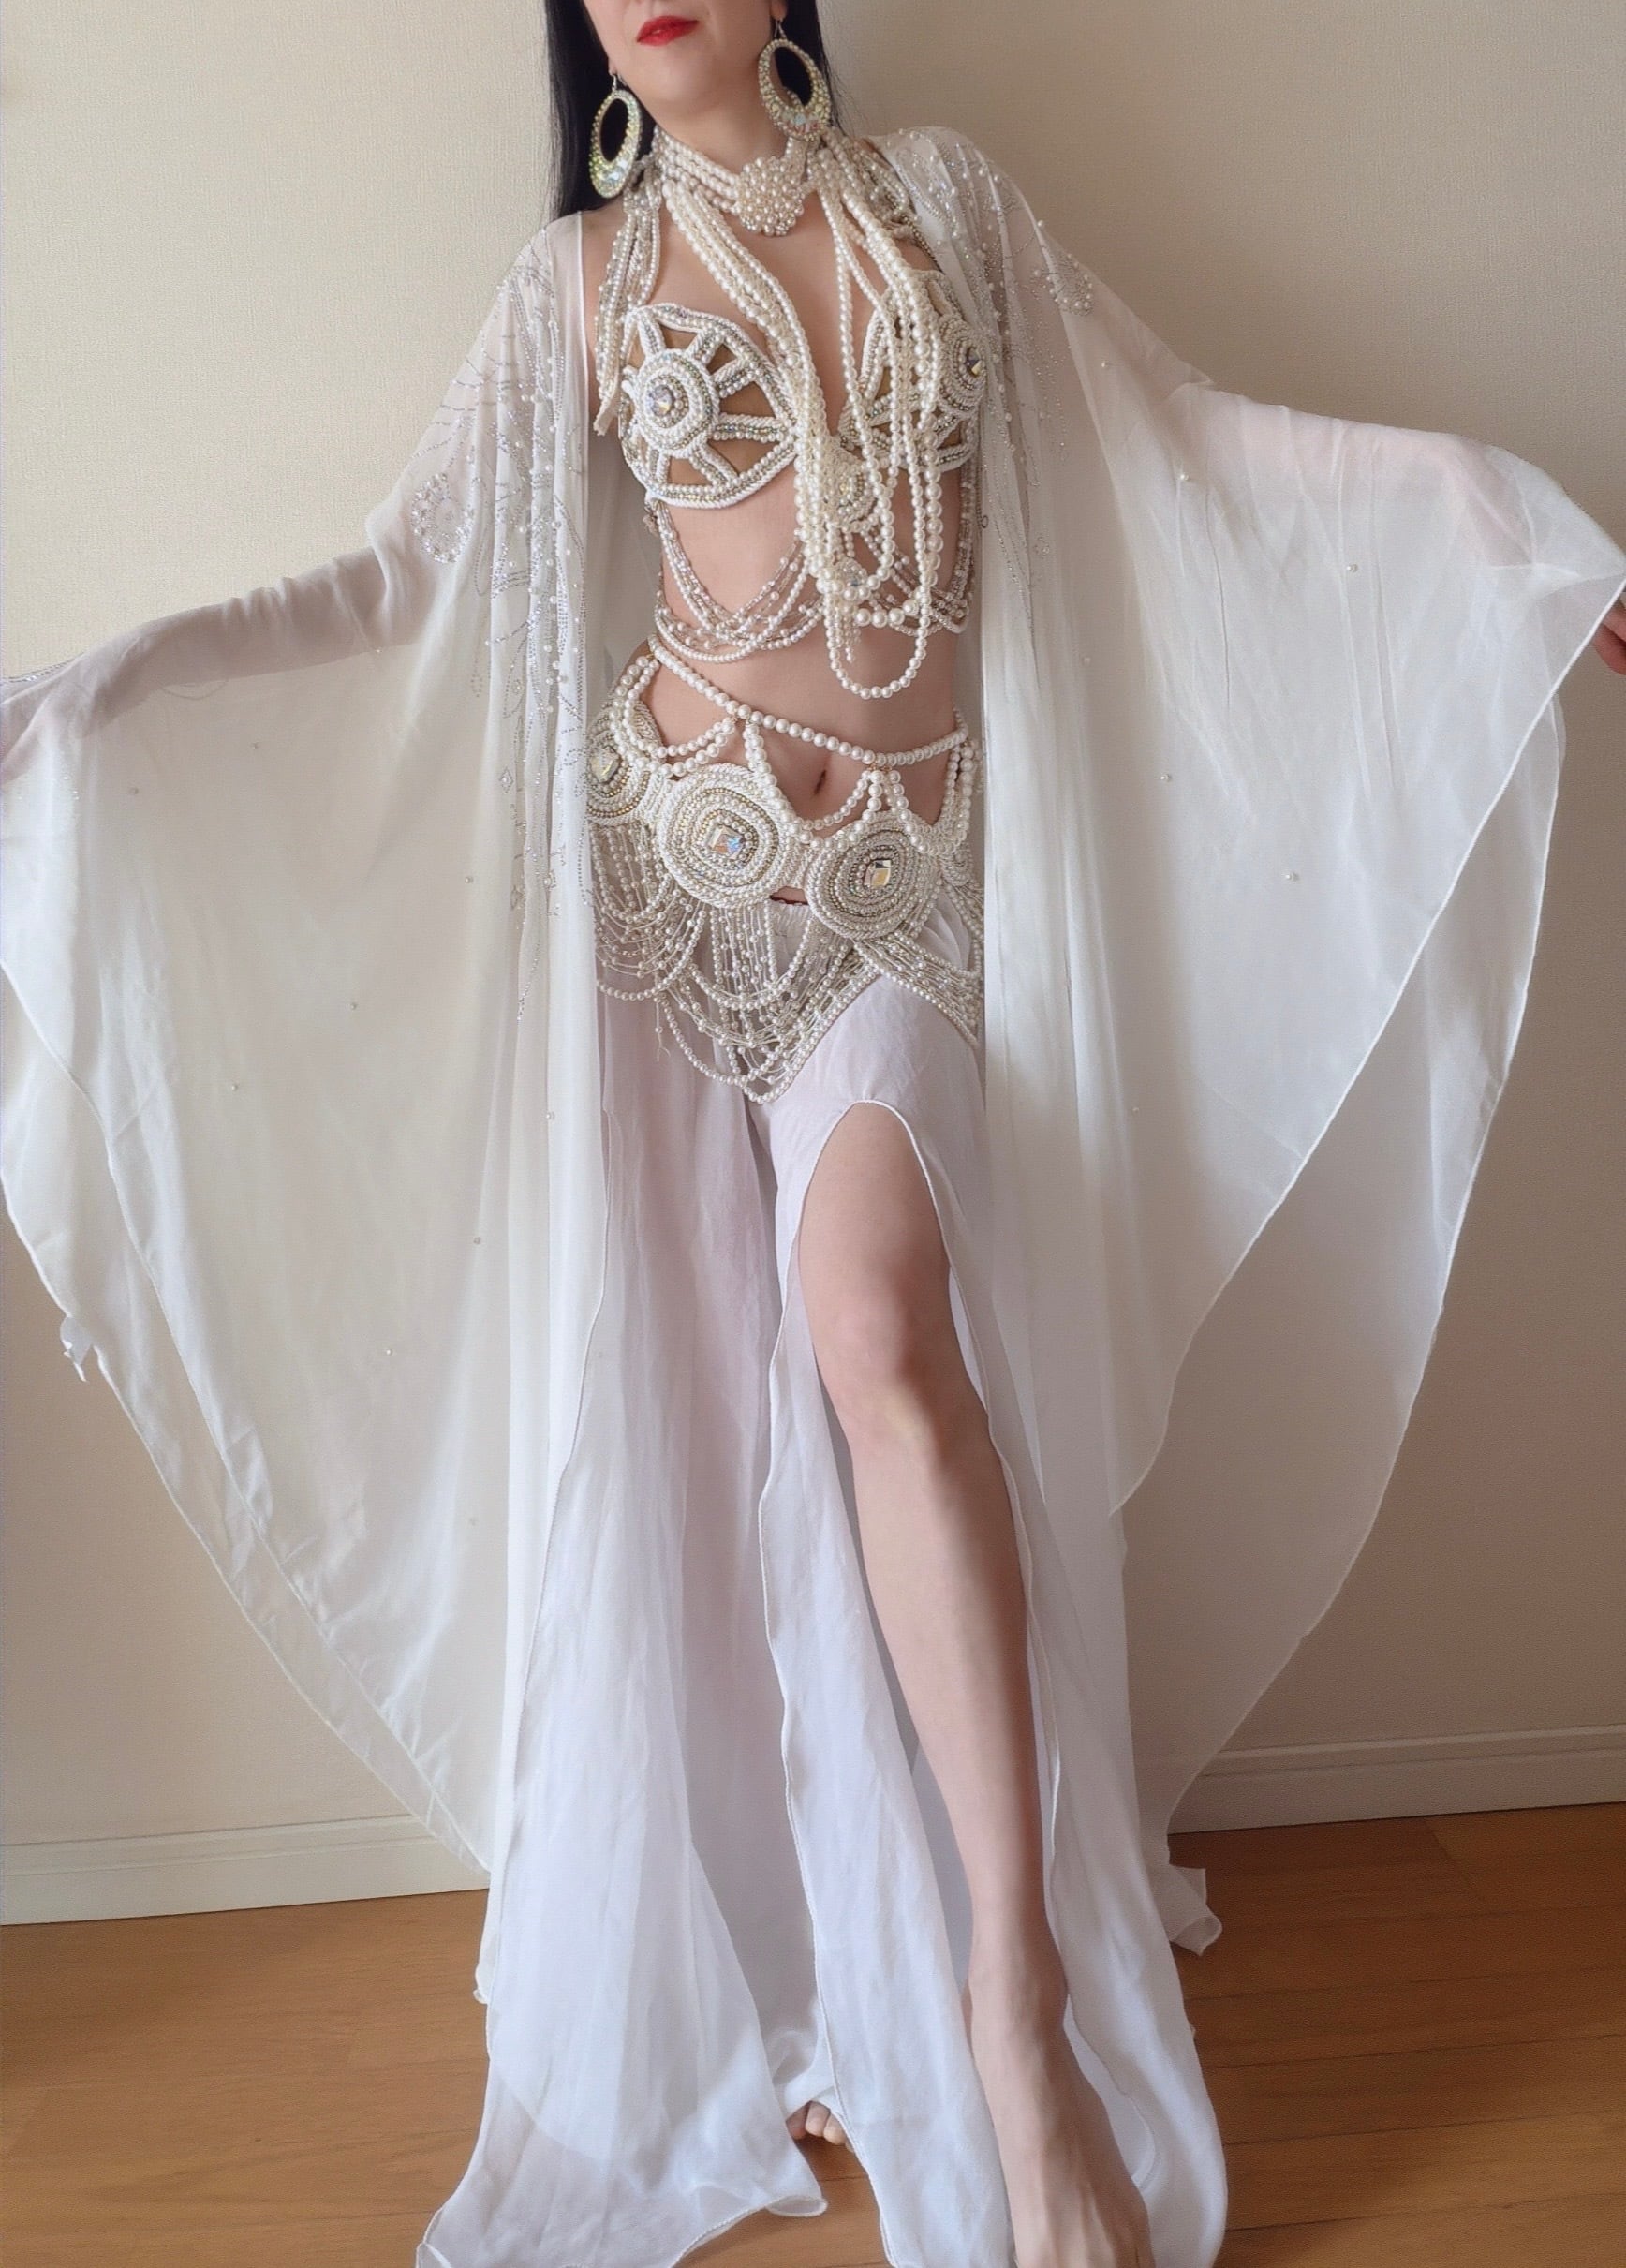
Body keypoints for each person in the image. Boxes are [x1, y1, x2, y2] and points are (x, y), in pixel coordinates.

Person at [3, 6, 1622, 2265]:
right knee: (673, 1442)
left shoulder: (945, 204)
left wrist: (1495, 520)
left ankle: (1012, 2007)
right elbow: (387, 590)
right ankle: (769, 1951)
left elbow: (1188, 445)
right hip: (659, 902)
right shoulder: (574, 285)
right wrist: (93, 695)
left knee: (879, 1339)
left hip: (895, 903)